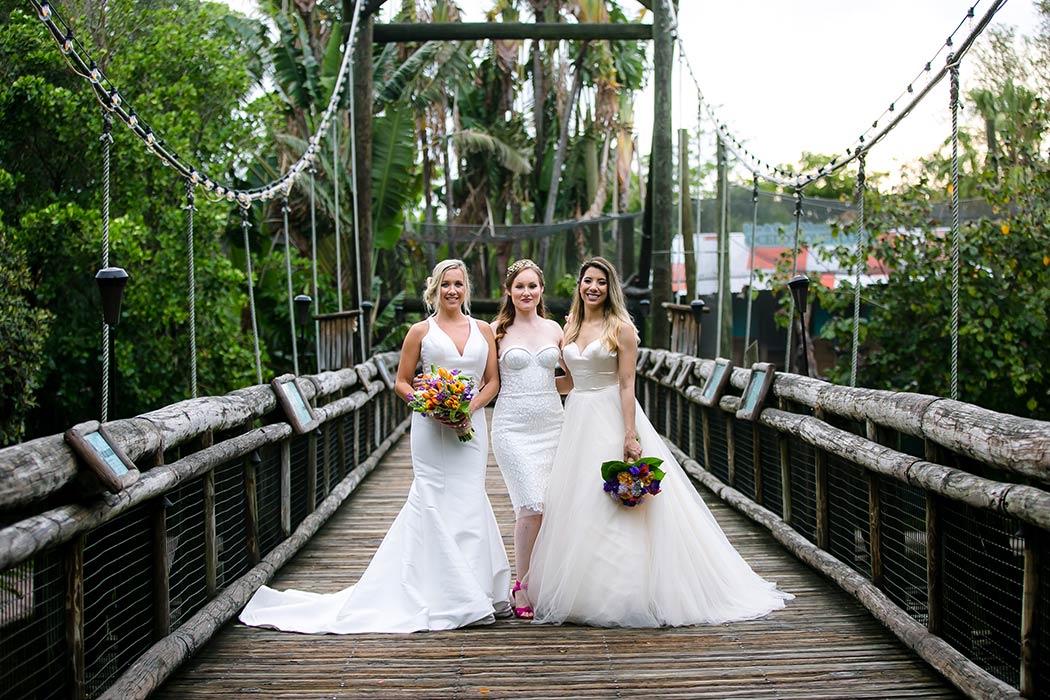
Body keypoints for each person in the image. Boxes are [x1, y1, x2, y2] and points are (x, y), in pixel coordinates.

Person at [239, 259, 511, 633]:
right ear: (435, 289)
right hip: (430, 428)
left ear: (467, 288)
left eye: (459, 284)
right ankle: (445, 593)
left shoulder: (483, 330)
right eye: (446, 284)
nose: (452, 290)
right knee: (433, 497)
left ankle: (474, 588)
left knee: (468, 498)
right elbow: (401, 381)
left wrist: (467, 409)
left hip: (471, 426)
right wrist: (431, 407)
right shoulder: (420, 331)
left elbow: (492, 381)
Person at [527, 256, 792, 628]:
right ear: (579, 285)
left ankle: (624, 593)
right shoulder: (570, 328)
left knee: (616, 502)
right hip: (577, 419)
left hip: (610, 415)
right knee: (578, 500)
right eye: (587, 280)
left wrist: (630, 433)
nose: (593, 287)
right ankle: (584, 589)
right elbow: (570, 382)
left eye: (601, 282)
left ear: (610, 288)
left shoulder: (621, 329)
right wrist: (527, 391)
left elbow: (626, 384)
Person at [488, 259, 568, 619]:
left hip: (553, 423)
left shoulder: (555, 329)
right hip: (512, 428)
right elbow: (488, 381)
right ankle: (521, 585)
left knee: (552, 507)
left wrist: (549, 391)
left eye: (532, 286)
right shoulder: (496, 332)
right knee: (530, 506)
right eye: (519, 286)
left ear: (541, 290)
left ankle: (545, 582)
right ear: (509, 291)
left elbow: (572, 377)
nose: (526, 292)